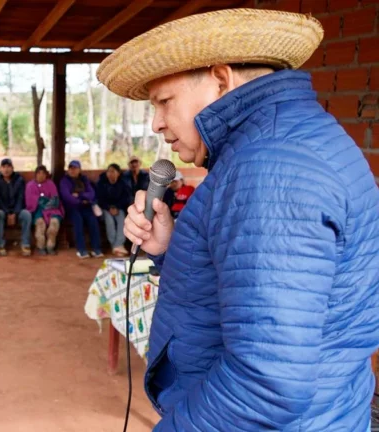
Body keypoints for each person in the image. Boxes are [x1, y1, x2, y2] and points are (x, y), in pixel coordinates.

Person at [98, 8, 379, 431]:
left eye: (164, 102)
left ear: (220, 80)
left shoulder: (270, 166)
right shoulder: (282, 142)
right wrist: (170, 249)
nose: (156, 123)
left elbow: (265, 383)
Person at [59, 160, 102, 259]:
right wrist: (80, 200)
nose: (72, 171)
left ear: (79, 170)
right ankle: (81, 249)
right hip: (72, 207)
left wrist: (80, 195)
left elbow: (91, 194)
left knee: (93, 221)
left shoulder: (84, 179)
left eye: (75, 168)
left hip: (85, 206)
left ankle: (96, 249)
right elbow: (67, 197)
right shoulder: (64, 181)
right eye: (71, 168)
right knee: (78, 221)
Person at [0, 158, 32, 256]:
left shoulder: (19, 180)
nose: (6, 169)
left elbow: (21, 198)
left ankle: (25, 243)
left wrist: (15, 213)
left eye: (8, 167)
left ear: (13, 168)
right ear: (0, 169)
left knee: (27, 214)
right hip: (3, 210)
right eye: (4, 167)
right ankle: (0, 244)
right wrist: (8, 213)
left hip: (17, 210)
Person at [25, 165, 64, 256]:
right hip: (37, 209)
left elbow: (55, 198)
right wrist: (41, 200)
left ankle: (50, 246)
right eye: (39, 173)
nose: (41, 175)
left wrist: (47, 202)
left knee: (54, 223)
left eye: (43, 173)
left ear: (46, 175)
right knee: (40, 224)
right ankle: (40, 247)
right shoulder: (30, 185)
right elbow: (30, 200)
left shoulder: (50, 184)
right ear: (35, 174)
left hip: (52, 209)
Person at [95, 163, 132, 256]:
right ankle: (116, 246)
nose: (110, 174)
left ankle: (118, 245)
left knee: (122, 220)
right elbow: (100, 199)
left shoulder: (122, 183)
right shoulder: (101, 183)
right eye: (109, 171)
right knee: (109, 221)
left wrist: (117, 207)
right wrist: (109, 208)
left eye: (113, 171)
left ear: (118, 173)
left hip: (119, 208)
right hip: (105, 208)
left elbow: (126, 198)